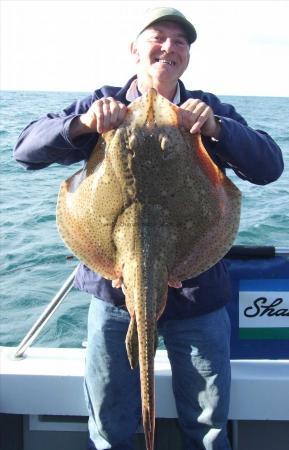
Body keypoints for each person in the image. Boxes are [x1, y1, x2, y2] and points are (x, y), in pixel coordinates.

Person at [14, 6, 283, 450]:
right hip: (114, 293)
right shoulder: (103, 103)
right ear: (135, 49)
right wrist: (83, 124)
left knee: (209, 426)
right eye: (158, 37)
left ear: (188, 56)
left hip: (197, 295)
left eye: (180, 41)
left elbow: (270, 166)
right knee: (110, 423)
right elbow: (25, 150)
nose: (169, 47)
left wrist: (218, 129)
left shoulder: (208, 111)